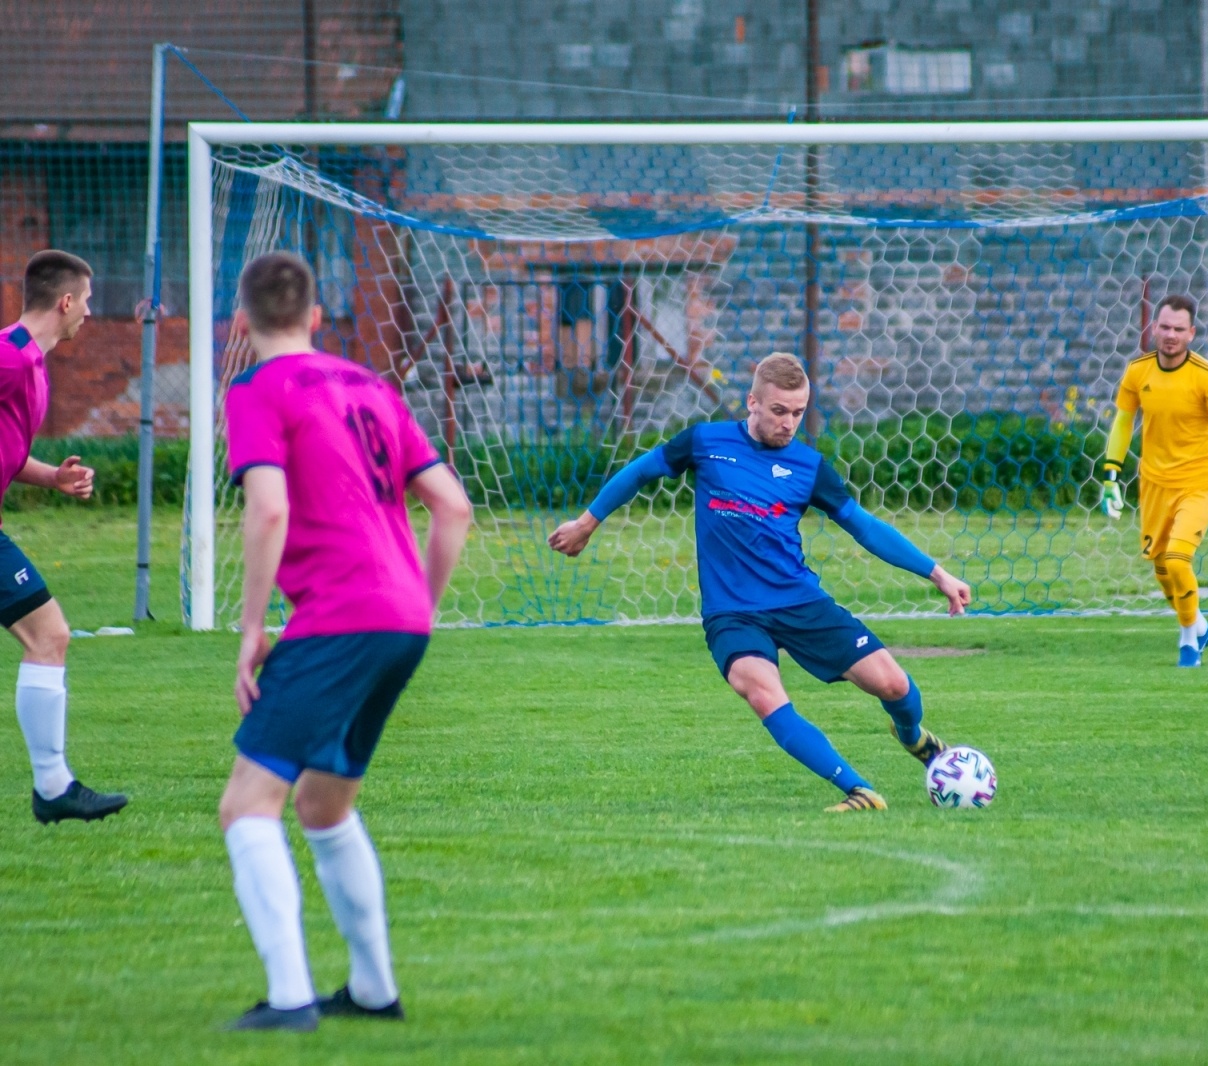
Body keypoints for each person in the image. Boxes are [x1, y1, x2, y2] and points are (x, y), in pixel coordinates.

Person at [217, 252, 472, 1031]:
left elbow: (267, 510)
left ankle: (289, 998)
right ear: (317, 317)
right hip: (400, 620)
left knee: (247, 804)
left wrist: (252, 627)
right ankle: (372, 991)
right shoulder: (372, 386)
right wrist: (419, 606)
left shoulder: (255, 389)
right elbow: (453, 507)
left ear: (240, 322)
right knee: (323, 804)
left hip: (338, 616)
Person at [549, 352, 972, 812]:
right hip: (732, 612)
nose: (788, 423)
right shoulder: (705, 442)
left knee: (893, 685)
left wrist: (937, 573)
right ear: (752, 402)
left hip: (798, 599)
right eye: (778, 411)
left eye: (798, 413)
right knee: (762, 692)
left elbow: (864, 527)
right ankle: (860, 791)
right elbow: (640, 471)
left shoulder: (808, 467)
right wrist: (586, 523)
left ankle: (913, 737)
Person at [3, 250, 127, 823]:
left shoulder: (30, 363)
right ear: (66, 301)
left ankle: (54, 788)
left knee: (49, 635)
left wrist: (53, 477)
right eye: (88, 301)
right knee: (48, 635)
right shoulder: (9, 357)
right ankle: (53, 788)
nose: (91, 313)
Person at [1100, 294, 1208, 667]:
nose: (1170, 335)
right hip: (1153, 483)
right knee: (1162, 568)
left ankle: (1188, 641)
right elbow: (1123, 422)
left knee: (1178, 560)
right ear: (1154, 328)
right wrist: (1110, 477)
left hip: (1198, 482)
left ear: (1191, 333)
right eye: (1165, 327)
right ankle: (1200, 625)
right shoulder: (1138, 372)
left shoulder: (1206, 375)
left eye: (1179, 329)